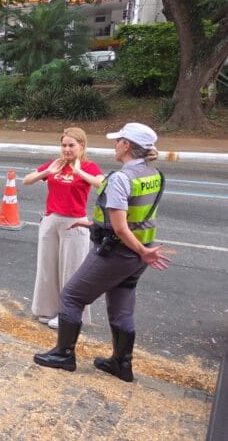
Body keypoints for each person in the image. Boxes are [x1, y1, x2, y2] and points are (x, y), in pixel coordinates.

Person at [33, 122, 170, 383]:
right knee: (121, 307)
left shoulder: (120, 178)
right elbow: (135, 217)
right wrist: (93, 224)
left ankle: (64, 354)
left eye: (118, 141)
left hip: (118, 252)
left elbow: (120, 227)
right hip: (137, 255)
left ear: (127, 146)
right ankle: (121, 363)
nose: (115, 145)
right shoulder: (154, 174)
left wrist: (141, 250)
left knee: (71, 296)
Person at [23, 127, 104, 329]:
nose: (67, 149)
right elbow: (26, 180)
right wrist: (47, 172)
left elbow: (102, 184)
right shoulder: (56, 164)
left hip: (74, 223)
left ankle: (68, 314)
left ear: (81, 145)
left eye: (71, 145)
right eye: (64, 145)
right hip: (51, 220)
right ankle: (46, 309)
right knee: (47, 268)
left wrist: (79, 172)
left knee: (72, 270)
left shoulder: (89, 166)